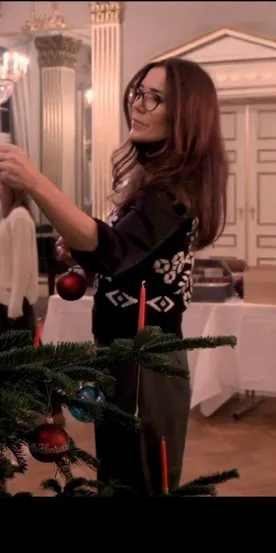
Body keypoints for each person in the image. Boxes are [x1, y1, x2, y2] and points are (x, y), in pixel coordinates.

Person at [0, 58, 227, 495]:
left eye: (154, 98)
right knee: (116, 476)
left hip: (148, 361)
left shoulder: (175, 187)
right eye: (138, 93)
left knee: (141, 481)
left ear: (186, 114)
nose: (138, 105)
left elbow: (115, 250)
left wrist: (35, 181)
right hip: (121, 352)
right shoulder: (149, 179)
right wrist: (84, 252)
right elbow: (121, 257)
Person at [0, 183, 38, 335]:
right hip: (4, 300)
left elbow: (22, 262)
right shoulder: (8, 216)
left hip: (15, 304)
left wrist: (15, 305)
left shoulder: (19, 216)